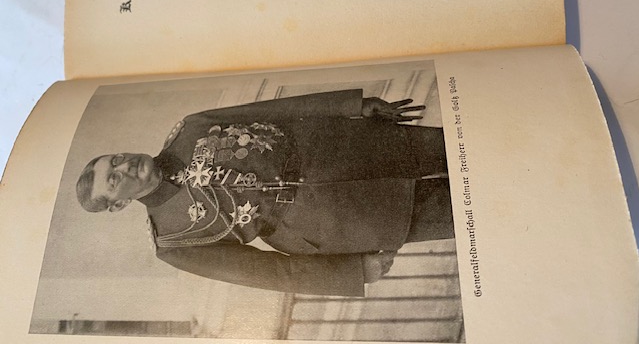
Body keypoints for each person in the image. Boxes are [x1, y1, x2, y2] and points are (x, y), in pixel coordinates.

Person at [76, 89, 453, 296]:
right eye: (114, 179)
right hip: (339, 223)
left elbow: (274, 110)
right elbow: (266, 272)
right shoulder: (173, 242)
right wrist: (350, 272)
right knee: (465, 210)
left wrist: (351, 105)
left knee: (462, 145)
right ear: (119, 204)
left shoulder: (189, 128)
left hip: (347, 145)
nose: (125, 166)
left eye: (117, 159)